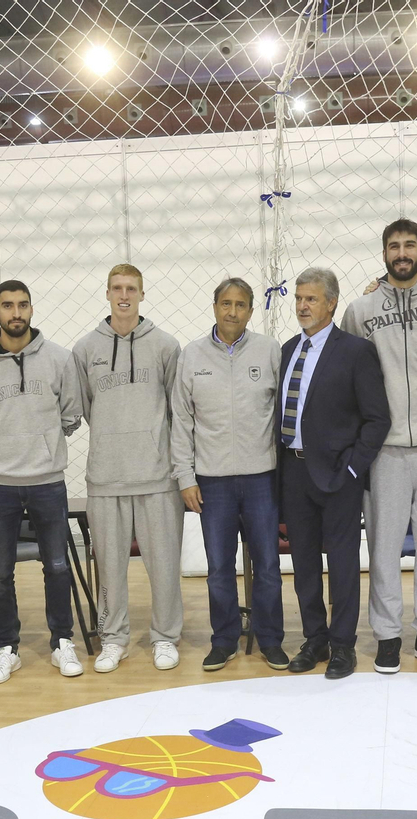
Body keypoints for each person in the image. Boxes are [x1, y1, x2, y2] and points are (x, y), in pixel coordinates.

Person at [339, 218, 417, 674]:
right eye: (393, 246)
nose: (401, 253)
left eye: (409, 245)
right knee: (384, 548)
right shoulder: (360, 310)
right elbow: (349, 373)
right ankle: (389, 636)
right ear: (383, 253)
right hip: (385, 453)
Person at [0, 279, 86, 682]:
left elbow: (71, 414)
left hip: (48, 481)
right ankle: (7, 647)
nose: (16, 313)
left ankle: (61, 643)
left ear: (32, 309)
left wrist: (42, 446)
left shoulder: (59, 359)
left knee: (56, 566)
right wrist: (2, 448)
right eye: (7, 306)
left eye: (23, 305)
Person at [279, 267, 391, 680]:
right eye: (299, 298)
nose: (303, 306)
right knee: (304, 563)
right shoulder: (288, 349)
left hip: (338, 476)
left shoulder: (355, 351)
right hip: (294, 472)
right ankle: (315, 639)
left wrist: (351, 467)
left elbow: (377, 419)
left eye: (311, 299)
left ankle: (343, 645)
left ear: (331, 303)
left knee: (342, 563)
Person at [172, 278, 288, 671]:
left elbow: (283, 415)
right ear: (215, 306)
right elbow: (181, 422)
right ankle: (223, 639)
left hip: (261, 479)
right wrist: (185, 477)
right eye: (225, 303)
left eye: (240, 305)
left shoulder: (269, 351)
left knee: (268, 566)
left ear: (251, 311)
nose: (232, 311)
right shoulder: (192, 356)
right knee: (219, 568)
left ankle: (271, 639)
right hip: (212, 482)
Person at [73, 264, 184, 673]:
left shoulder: (166, 346)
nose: (124, 295)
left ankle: (165, 637)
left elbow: (177, 410)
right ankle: (113, 638)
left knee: (165, 566)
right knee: (110, 568)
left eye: (131, 289)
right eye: (117, 288)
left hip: (157, 476)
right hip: (106, 478)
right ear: (107, 293)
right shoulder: (85, 350)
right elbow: (87, 407)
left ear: (142, 294)